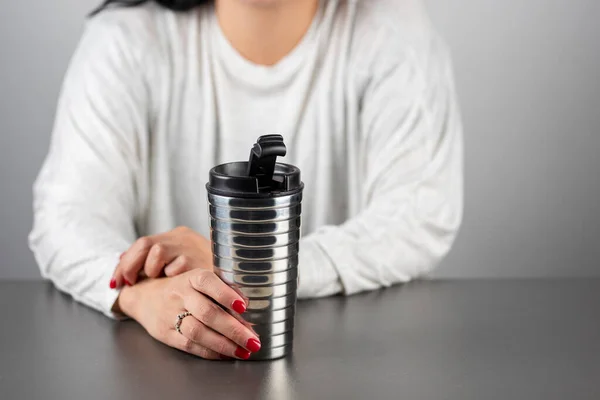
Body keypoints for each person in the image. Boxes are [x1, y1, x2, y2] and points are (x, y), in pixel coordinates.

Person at [29, 0, 464, 360]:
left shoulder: (394, 32)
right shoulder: (124, 38)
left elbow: (419, 214)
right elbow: (67, 217)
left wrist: (242, 272)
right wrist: (142, 295)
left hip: (353, 360)